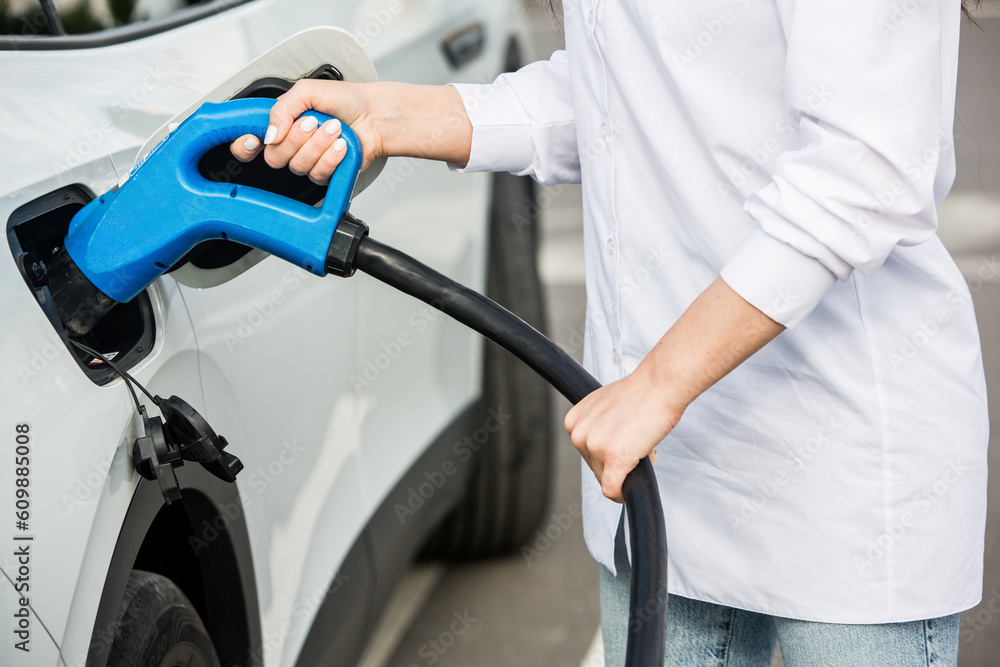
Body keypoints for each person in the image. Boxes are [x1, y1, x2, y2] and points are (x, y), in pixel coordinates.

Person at [231, 1, 989, 664]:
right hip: (669, 469)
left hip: (842, 474)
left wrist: (661, 383)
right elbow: (624, 99)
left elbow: (865, 172)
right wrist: (390, 117)